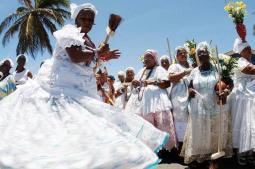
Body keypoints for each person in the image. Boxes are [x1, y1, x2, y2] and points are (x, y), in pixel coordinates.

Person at [0, 3, 169, 169]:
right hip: (60, 89)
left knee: (81, 133)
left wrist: (103, 57)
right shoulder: (70, 32)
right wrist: (97, 53)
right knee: (57, 131)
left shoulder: (89, 41)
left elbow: (89, 64)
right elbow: (74, 56)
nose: (87, 21)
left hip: (81, 90)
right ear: (77, 18)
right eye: (84, 18)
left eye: (91, 19)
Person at [180, 42, 232, 167]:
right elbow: (190, 86)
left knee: (215, 131)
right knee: (201, 131)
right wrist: (190, 90)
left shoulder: (218, 68)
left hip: (215, 103)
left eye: (204, 52)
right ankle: (201, 155)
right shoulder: (194, 72)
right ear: (197, 56)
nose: (202, 54)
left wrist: (225, 91)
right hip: (198, 105)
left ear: (209, 54)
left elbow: (230, 83)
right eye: (199, 53)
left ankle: (215, 155)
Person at [126, 49, 177, 150]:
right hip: (143, 104)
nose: (147, 59)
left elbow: (166, 83)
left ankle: (167, 149)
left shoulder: (160, 69)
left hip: (157, 102)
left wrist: (152, 82)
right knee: (146, 126)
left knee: (162, 124)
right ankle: (151, 149)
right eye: (145, 57)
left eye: (150, 57)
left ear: (155, 59)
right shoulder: (141, 71)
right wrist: (135, 83)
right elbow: (136, 85)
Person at [230, 38, 255, 166]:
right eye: (246, 49)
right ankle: (241, 153)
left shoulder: (250, 61)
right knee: (243, 123)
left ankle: (250, 153)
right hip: (242, 97)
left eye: (249, 48)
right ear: (240, 51)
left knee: (251, 125)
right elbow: (248, 70)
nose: (249, 50)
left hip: (251, 96)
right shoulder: (239, 61)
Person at [168, 46, 191, 145]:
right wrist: (185, 72)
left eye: (184, 53)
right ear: (176, 56)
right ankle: (181, 145)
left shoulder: (192, 66)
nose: (183, 55)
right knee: (180, 120)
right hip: (179, 96)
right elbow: (171, 78)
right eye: (180, 53)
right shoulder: (174, 66)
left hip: (191, 95)